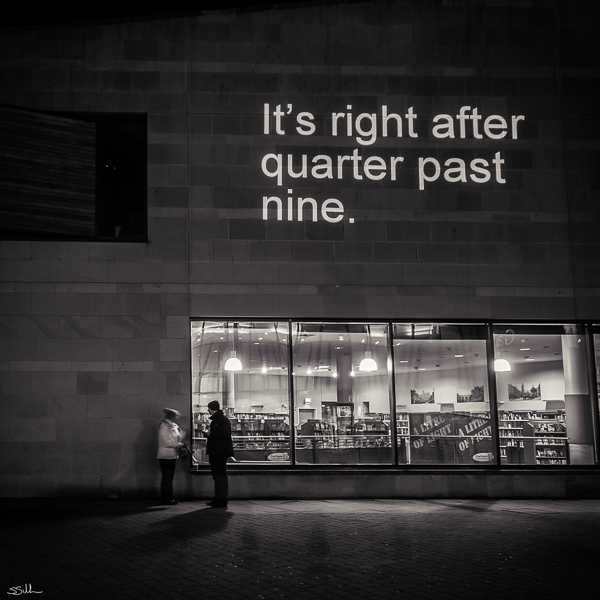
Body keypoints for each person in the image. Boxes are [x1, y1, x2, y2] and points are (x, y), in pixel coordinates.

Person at [205, 400, 234, 508]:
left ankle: (221, 500)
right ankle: (219, 499)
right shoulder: (221, 419)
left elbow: (222, 435)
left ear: (212, 408)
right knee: (218, 475)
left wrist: (209, 434)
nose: (207, 410)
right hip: (219, 451)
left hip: (218, 451)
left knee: (219, 476)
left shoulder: (220, 420)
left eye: (208, 408)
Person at [157, 408, 185, 505]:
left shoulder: (172, 426)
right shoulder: (164, 427)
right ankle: (166, 498)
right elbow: (167, 441)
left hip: (170, 455)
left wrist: (182, 434)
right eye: (176, 417)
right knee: (167, 478)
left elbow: (175, 438)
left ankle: (169, 497)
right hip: (166, 455)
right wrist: (179, 445)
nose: (177, 419)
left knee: (168, 478)